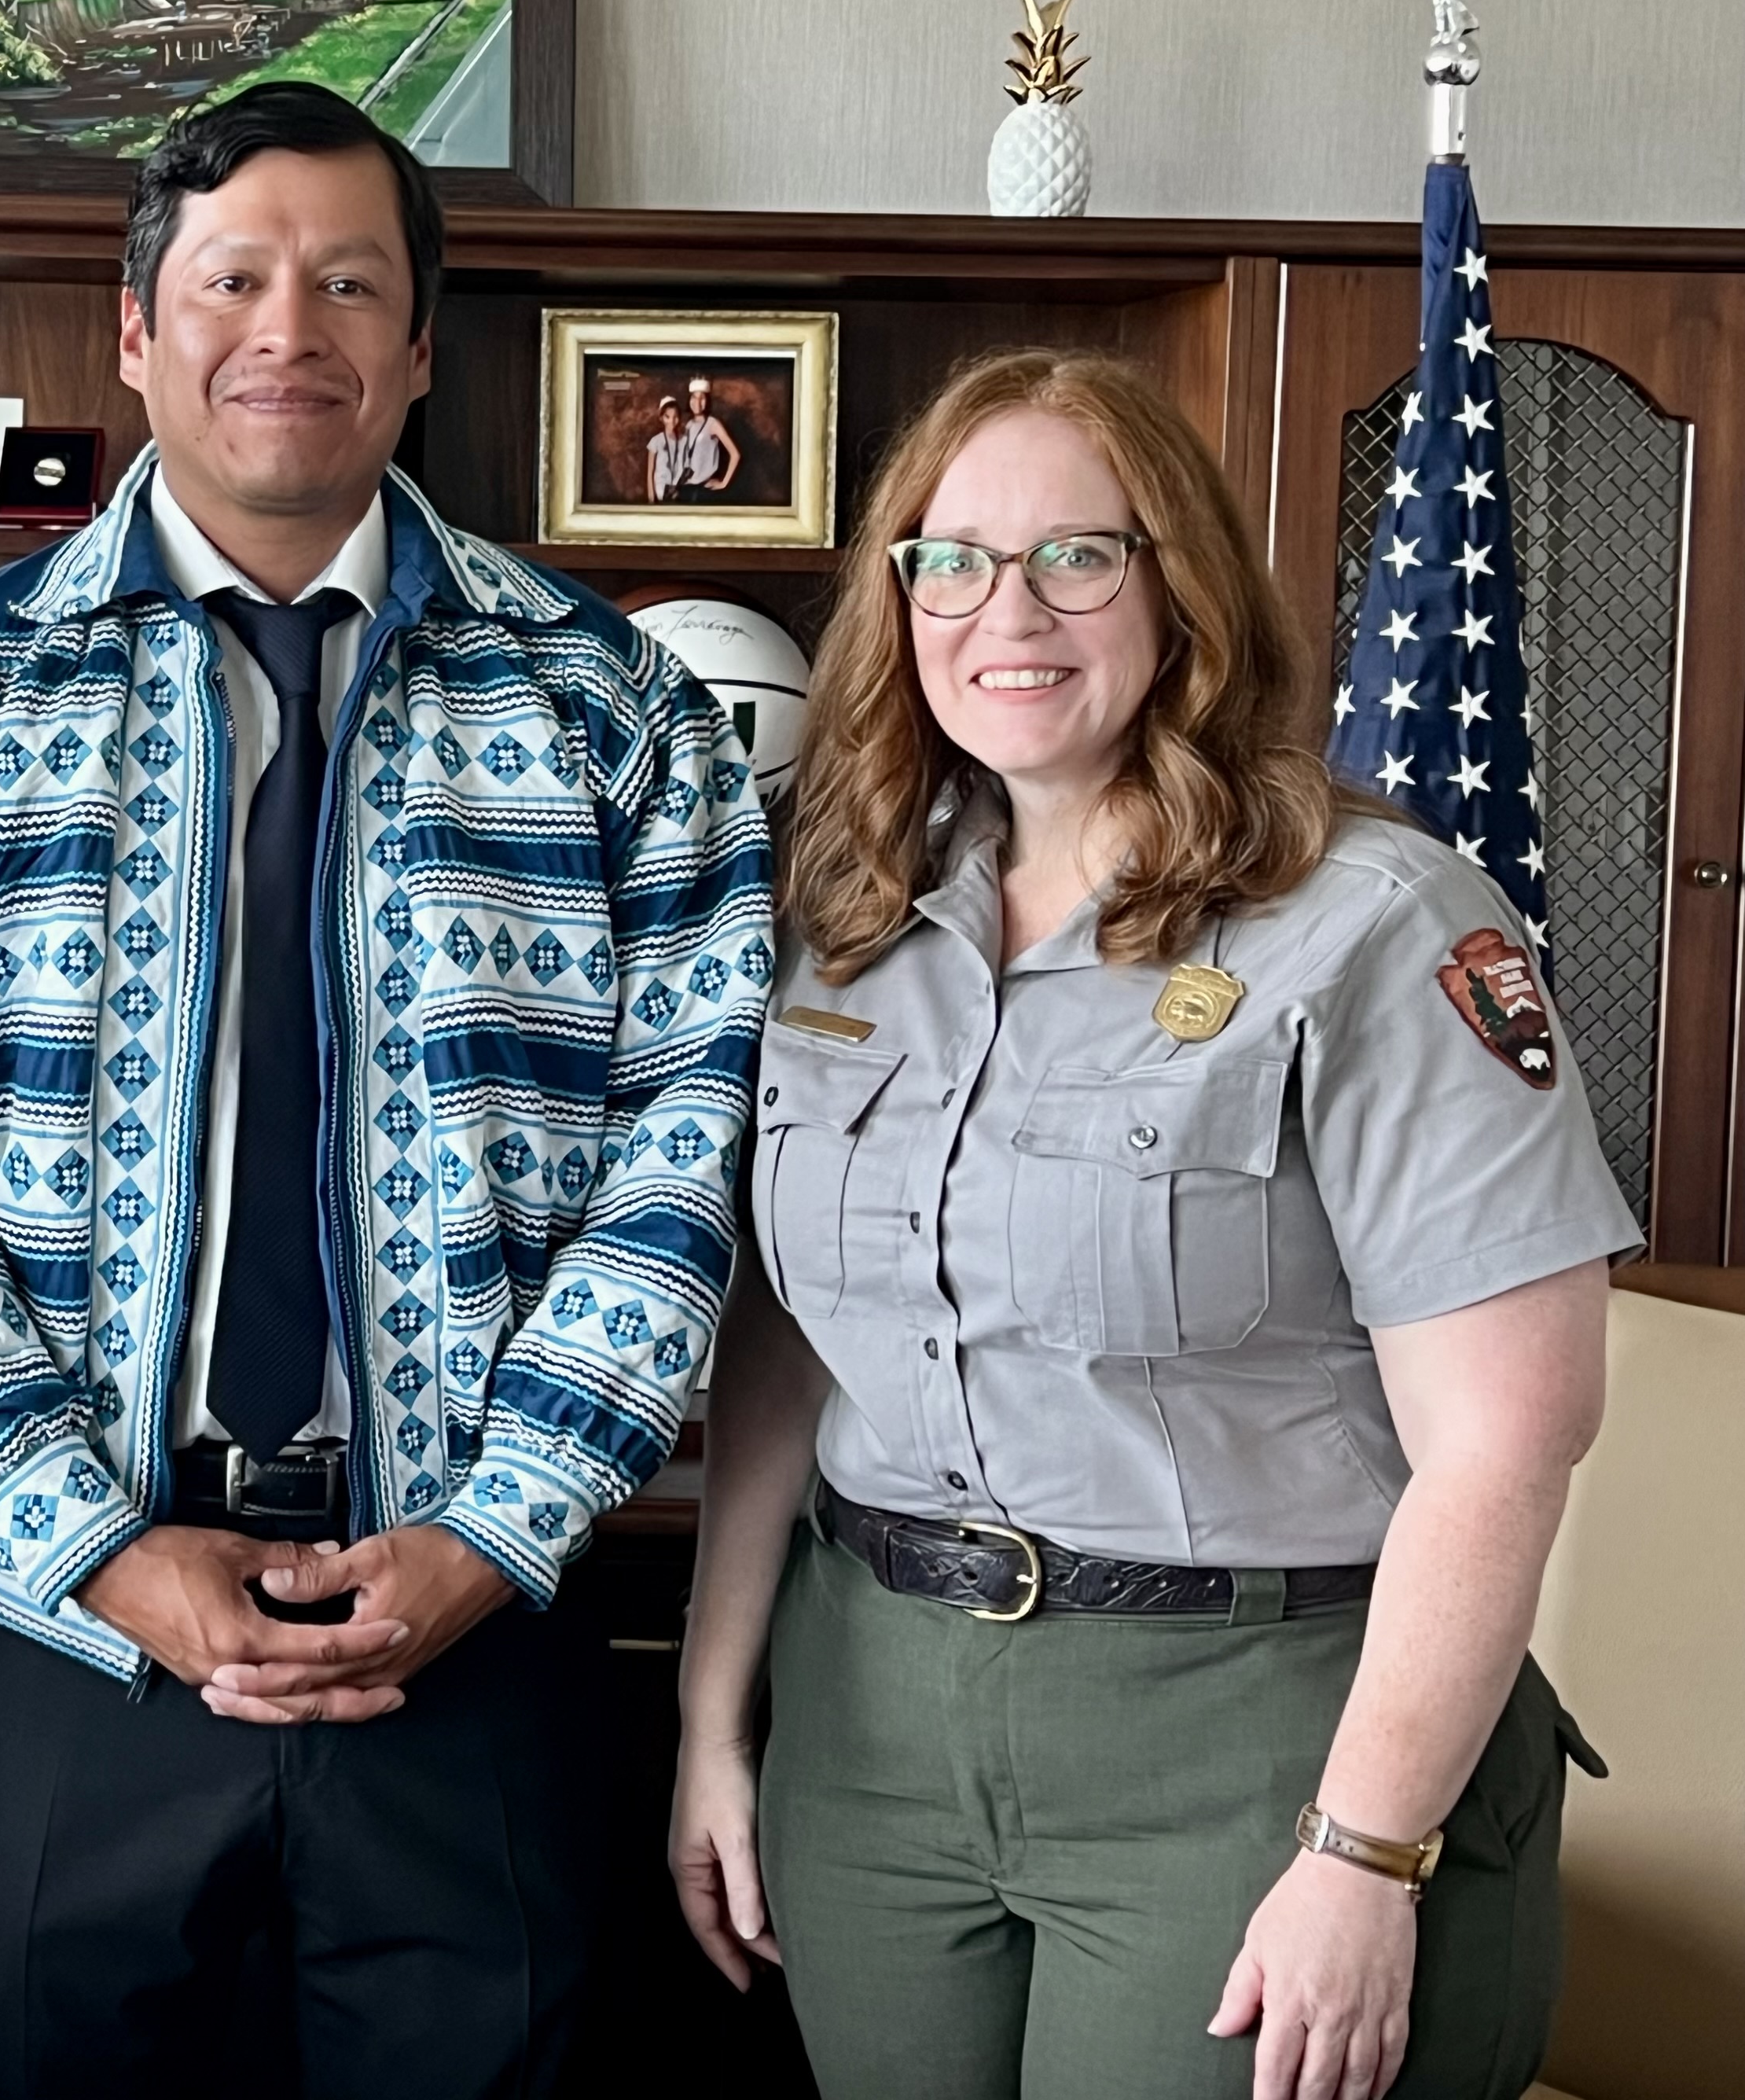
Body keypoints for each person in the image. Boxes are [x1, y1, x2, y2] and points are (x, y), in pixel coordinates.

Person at [0, 80, 772, 2097]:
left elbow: (693, 1155)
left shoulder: (618, 707)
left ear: (416, 350)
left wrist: (495, 1533)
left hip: (475, 1633)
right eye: (233, 278)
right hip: (63, 1634)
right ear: (136, 330)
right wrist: (102, 1549)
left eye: (347, 285)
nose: (286, 328)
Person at [667, 349, 1633, 2100]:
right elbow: (790, 1347)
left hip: (1259, 1726)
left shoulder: (1376, 920)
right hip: (874, 1722)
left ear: (1177, 583)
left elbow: (1509, 1443)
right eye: (949, 560)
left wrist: (1367, 1852)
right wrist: (711, 1720)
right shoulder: (841, 906)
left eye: (1076, 557)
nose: (1002, 609)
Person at [647, 380, 740, 501]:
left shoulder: (713, 423)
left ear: (707, 401)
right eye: (694, 397)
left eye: (702, 398)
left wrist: (723, 483)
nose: (697, 402)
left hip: (702, 489)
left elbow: (735, 454)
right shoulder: (687, 424)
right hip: (684, 488)